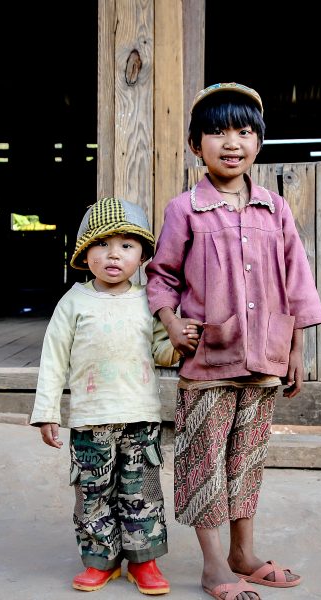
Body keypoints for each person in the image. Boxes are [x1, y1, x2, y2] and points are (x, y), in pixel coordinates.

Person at [145, 82, 321, 600]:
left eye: (244, 132)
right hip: (208, 359)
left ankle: (243, 554)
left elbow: (297, 280)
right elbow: (162, 276)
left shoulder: (275, 209)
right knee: (203, 460)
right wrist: (170, 322)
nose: (232, 143)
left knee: (247, 458)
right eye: (218, 132)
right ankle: (212, 566)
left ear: (259, 142)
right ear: (195, 144)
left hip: (264, 356)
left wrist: (296, 350)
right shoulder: (185, 209)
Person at [30, 196, 201, 595]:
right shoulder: (73, 302)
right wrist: (47, 411)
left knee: (141, 489)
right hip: (91, 418)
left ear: (142, 256)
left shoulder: (149, 302)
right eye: (102, 244)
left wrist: (180, 342)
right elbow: (53, 360)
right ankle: (100, 561)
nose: (113, 254)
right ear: (83, 254)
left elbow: (160, 351)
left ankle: (144, 562)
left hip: (140, 416)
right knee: (93, 492)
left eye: (126, 245)